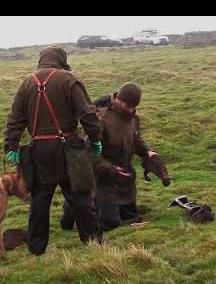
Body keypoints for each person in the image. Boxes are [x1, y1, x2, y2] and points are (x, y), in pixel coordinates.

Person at [4, 46, 104, 255]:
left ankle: (37, 248)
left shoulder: (26, 83)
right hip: (69, 149)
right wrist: (95, 139)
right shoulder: (69, 79)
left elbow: (15, 119)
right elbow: (87, 114)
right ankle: (93, 242)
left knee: (40, 201)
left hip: (39, 151)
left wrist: (11, 146)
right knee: (80, 198)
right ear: (61, 60)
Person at [60, 82, 161, 232]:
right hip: (102, 180)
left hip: (125, 179)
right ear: (117, 100)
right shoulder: (101, 121)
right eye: (127, 106)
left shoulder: (133, 119)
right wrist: (110, 169)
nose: (130, 110)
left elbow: (136, 139)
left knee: (129, 218)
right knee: (110, 222)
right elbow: (90, 152)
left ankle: (83, 204)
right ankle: (73, 207)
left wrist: (147, 152)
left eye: (133, 107)